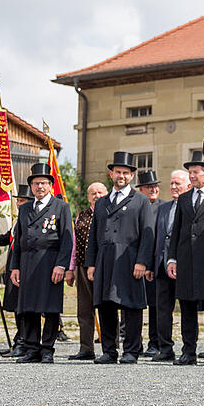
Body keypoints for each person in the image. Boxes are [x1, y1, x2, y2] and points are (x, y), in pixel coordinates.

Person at [85, 152, 154, 365]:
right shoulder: (102, 203)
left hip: (130, 260)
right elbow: (93, 235)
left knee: (131, 306)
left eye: (125, 172)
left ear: (132, 176)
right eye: (118, 172)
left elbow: (148, 234)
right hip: (105, 260)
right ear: (111, 174)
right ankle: (109, 351)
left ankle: (131, 350)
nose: (121, 176)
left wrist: (142, 261)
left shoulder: (141, 201)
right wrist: (91, 263)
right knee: (105, 305)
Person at [167, 152, 204, 365]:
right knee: (187, 307)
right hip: (187, 260)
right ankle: (188, 351)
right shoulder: (184, 198)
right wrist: (172, 259)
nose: (192, 176)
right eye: (190, 172)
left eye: (196, 172)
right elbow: (176, 231)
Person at [9, 163, 72, 364]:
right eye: (36, 183)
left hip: (50, 263)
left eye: (44, 183)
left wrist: (61, 265)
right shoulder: (25, 208)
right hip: (27, 263)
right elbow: (18, 240)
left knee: (50, 307)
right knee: (28, 308)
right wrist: (15, 267)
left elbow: (67, 240)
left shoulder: (61, 207)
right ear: (31, 186)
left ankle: (47, 349)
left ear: (51, 185)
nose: (40, 187)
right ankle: (32, 349)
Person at [0, 184, 32, 357]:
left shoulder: (31, 219)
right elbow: (7, 239)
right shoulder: (18, 221)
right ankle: (19, 340)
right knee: (16, 307)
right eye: (18, 201)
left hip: (26, 269)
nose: (19, 204)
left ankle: (24, 342)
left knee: (24, 308)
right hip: (14, 268)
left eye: (23, 201)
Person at [66, 181, 107, 360]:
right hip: (82, 267)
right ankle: (86, 348)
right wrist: (70, 269)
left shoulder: (110, 212)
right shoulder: (81, 216)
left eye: (100, 192)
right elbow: (74, 245)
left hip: (104, 266)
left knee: (107, 307)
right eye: (93, 193)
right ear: (88, 197)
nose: (97, 196)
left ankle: (110, 348)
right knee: (84, 309)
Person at [151, 170, 189, 363]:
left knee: (187, 309)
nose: (173, 187)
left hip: (184, 266)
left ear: (188, 186)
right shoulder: (163, 208)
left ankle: (188, 349)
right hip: (162, 266)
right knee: (162, 310)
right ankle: (165, 348)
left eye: (177, 184)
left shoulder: (190, 207)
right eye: (172, 183)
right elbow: (157, 237)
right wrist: (151, 264)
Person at [134, 170, 162, 357]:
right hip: (136, 262)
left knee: (155, 305)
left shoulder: (164, 207)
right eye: (149, 187)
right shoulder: (135, 206)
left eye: (155, 186)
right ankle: (134, 342)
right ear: (141, 190)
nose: (153, 189)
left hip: (155, 265)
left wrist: (150, 265)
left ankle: (155, 341)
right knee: (133, 304)